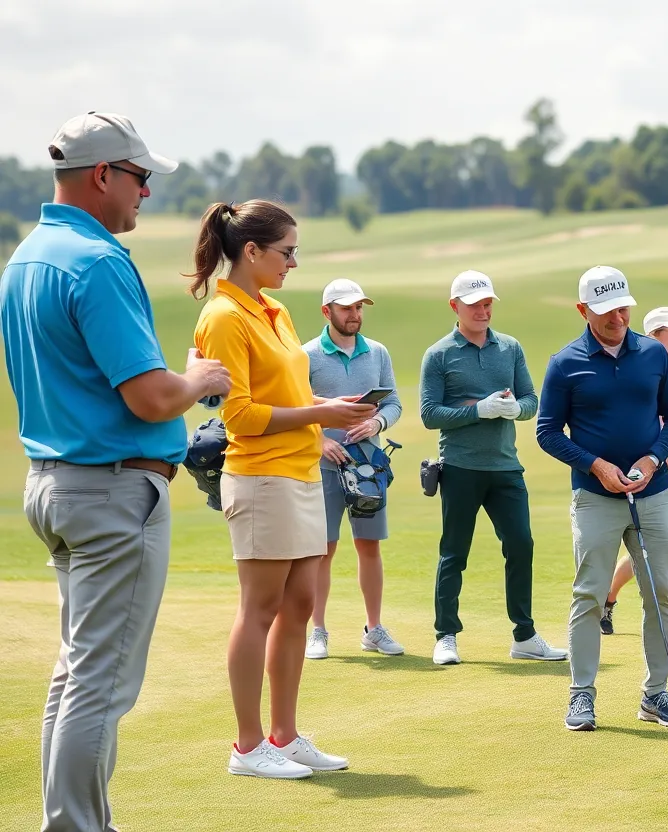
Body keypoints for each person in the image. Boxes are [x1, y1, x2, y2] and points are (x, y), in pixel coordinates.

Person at [0, 111, 230, 832]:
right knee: (99, 684)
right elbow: (152, 394)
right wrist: (198, 378)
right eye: (140, 179)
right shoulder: (97, 261)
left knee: (76, 676)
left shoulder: (28, 254)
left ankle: (70, 821)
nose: (147, 195)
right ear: (103, 175)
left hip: (53, 484)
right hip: (109, 490)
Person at [191, 199, 377, 780]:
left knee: (298, 605)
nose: (293, 262)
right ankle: (248, 748)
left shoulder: (274, 309)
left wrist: (324, 414)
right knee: (260, 609)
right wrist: (321, 413)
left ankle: (285, 735)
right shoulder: (224, 316)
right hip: (260, 476)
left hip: (297, 474)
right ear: (251, 251)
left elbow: (291, 395)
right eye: (286, 251)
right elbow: (240, 416)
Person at [537, 265, 668, 732]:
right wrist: (595, 465)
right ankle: (582, 695)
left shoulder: (653, 355)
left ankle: (655, 694)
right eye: (607, 311)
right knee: (588, 595)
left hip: (654, 492)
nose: (618, 318)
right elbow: (546, 431)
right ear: (584, 310)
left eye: (624, 308)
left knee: (660, 595)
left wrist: (653, 459)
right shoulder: (565, 363)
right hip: (595, 497)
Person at [419, 270, 567, 665]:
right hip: (461, 466)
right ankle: (446, 635)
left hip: (505, 467)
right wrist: (477, 410)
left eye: (487, 304)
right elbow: (430, 414)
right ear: (455, 307)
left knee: (521, 545)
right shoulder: (439, 354)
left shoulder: (510, 348)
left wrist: (515, 408)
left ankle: (525, 635)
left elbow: (532, 400)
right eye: (475, 305)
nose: (484, 311)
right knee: (454, 552)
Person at [303, 278, 405, 660]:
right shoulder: (307, 355)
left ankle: (373, 628)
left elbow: (393, 401)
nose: (355, 315)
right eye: (347, 308)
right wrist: (320, 440)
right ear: (327, 311)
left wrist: (377, 424)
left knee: (369, 547)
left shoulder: (377, 353)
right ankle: (318, 630)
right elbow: (295, 408)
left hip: (369, 467)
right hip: (322, 466)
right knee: (323, 550)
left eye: (359, 308)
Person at [600, 306, 668, 645]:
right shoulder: (643, 371)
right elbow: (647, 424)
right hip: (655, 467)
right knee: (654, 547)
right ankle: (616, 598)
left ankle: (657, 615)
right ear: (655, 336)